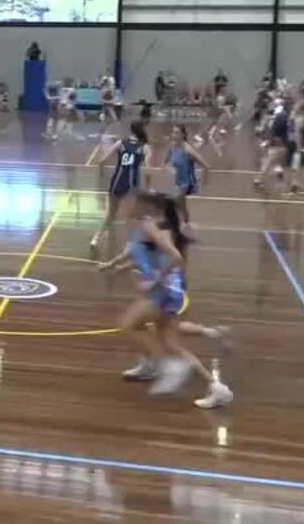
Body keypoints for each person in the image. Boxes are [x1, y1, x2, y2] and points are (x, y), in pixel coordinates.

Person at [96, 191, 233, 409]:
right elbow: (143, 259)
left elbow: (175, 257)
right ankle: (219, 389)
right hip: (167, 289)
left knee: (127, 324)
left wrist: (154, 281)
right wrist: (116, 268)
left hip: (165, 290)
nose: (127, 205)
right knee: (170, 341)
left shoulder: (150, 227)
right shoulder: (142, 227)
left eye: (133, 202)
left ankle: (163, 364)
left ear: (144, 207)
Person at [90, 122, 151, 249]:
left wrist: (101, 175)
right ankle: (129, 245)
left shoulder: (121, 143)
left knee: (111, 213)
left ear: (131, 131)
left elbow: (102, 161)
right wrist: (148, 187)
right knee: (130, 216)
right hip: (131, 184)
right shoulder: (144, 147)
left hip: (117, 181)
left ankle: (96, 238)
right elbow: (148, 171)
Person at [165, 125, 210, 226]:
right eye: (173, 132)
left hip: (187, 184)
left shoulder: (188, 150)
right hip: (177, 182)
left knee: (171, 204)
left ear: (183, 135)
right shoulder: (172, 147)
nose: (174, 135)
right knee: (182, 208)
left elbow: (206, 166)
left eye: (177, 133)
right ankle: (186, 226)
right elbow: (165, 162)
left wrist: (204, 184)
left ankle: (175, 229)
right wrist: (170, 170)